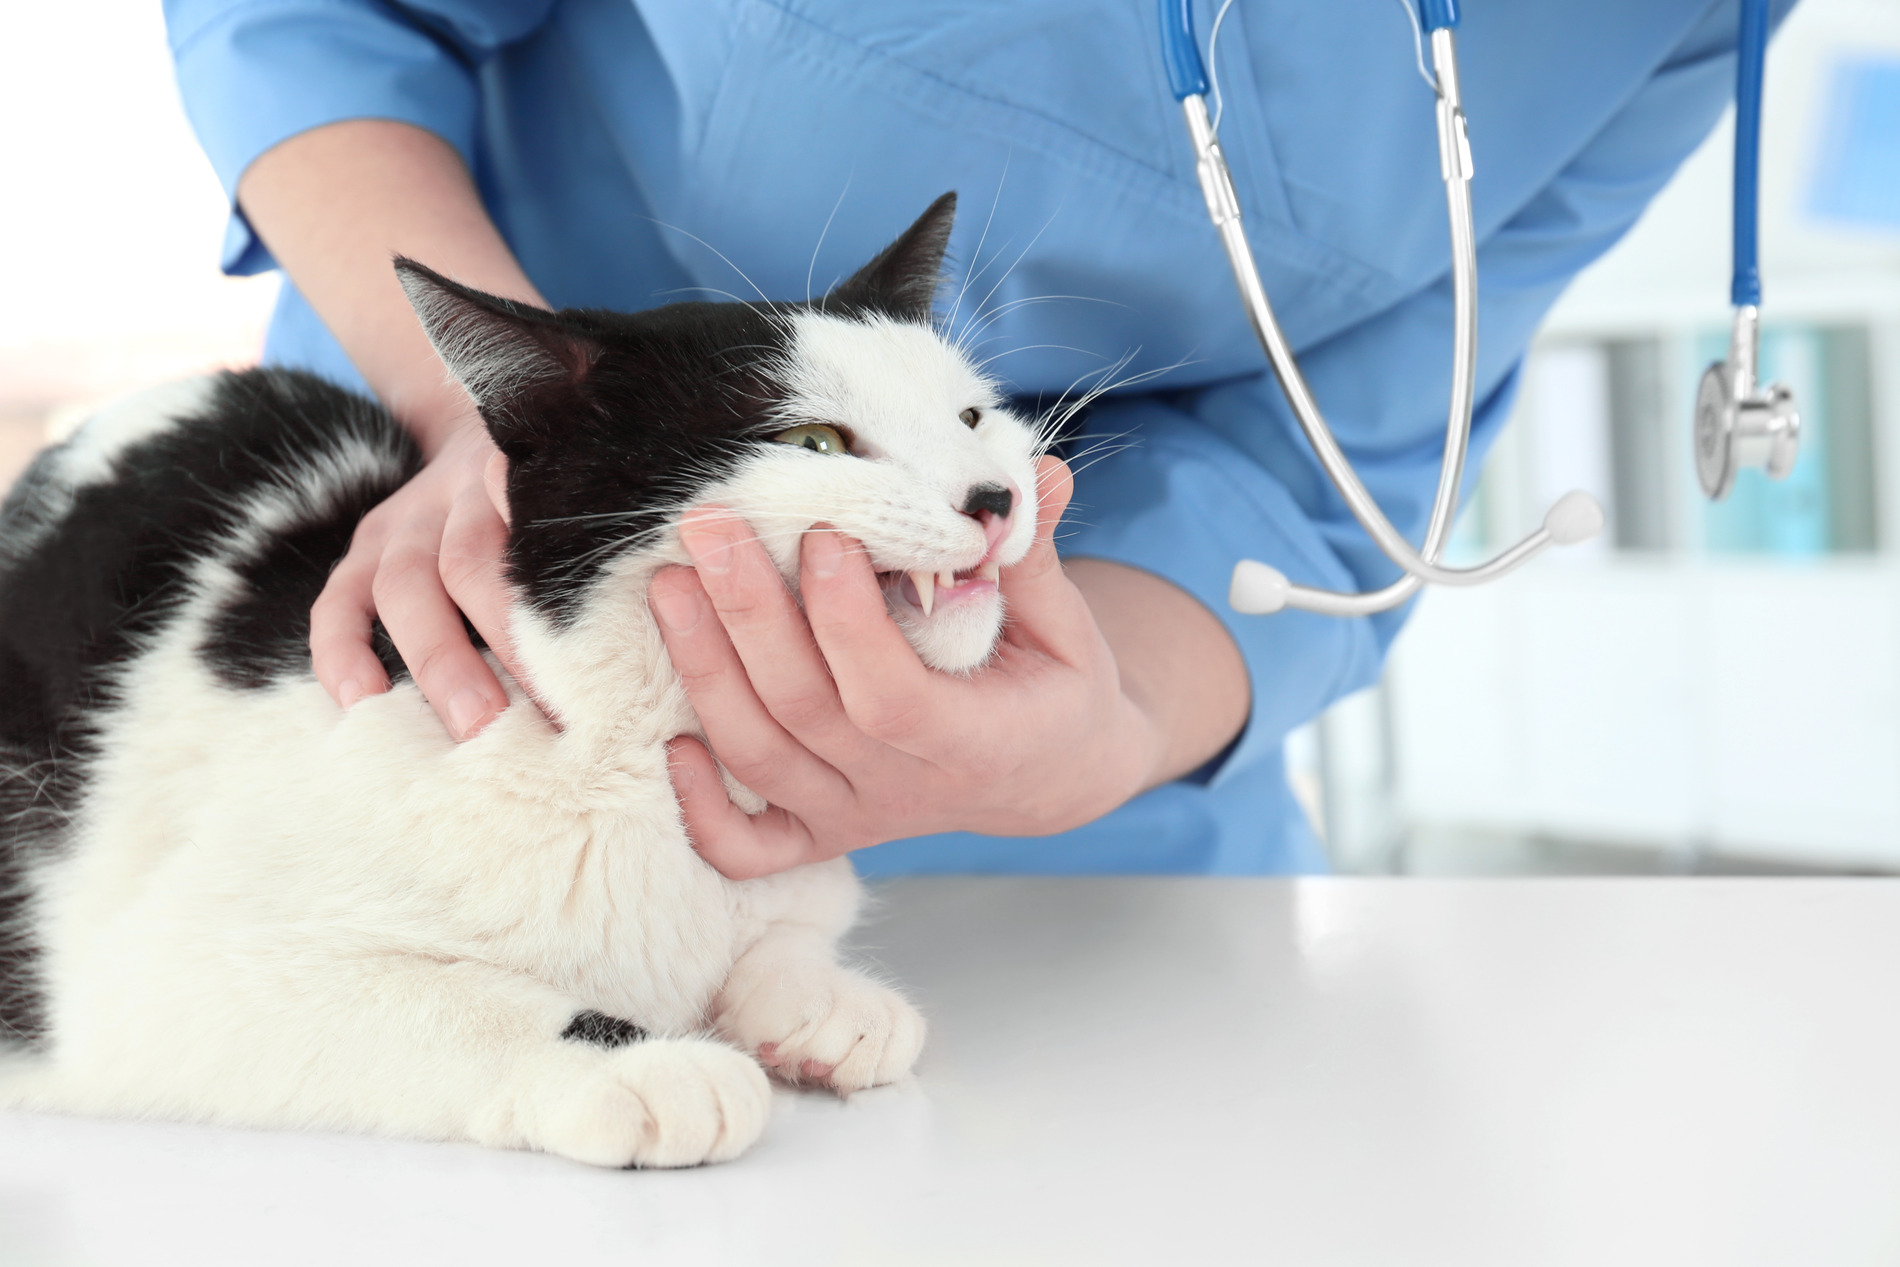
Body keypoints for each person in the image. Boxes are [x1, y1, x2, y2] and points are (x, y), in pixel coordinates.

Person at [164, 0, 1791, 878]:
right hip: (484, 651)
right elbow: (317, 17)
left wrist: (1107, 728)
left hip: (1087, 840)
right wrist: (477, 413)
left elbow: (1337, 469)